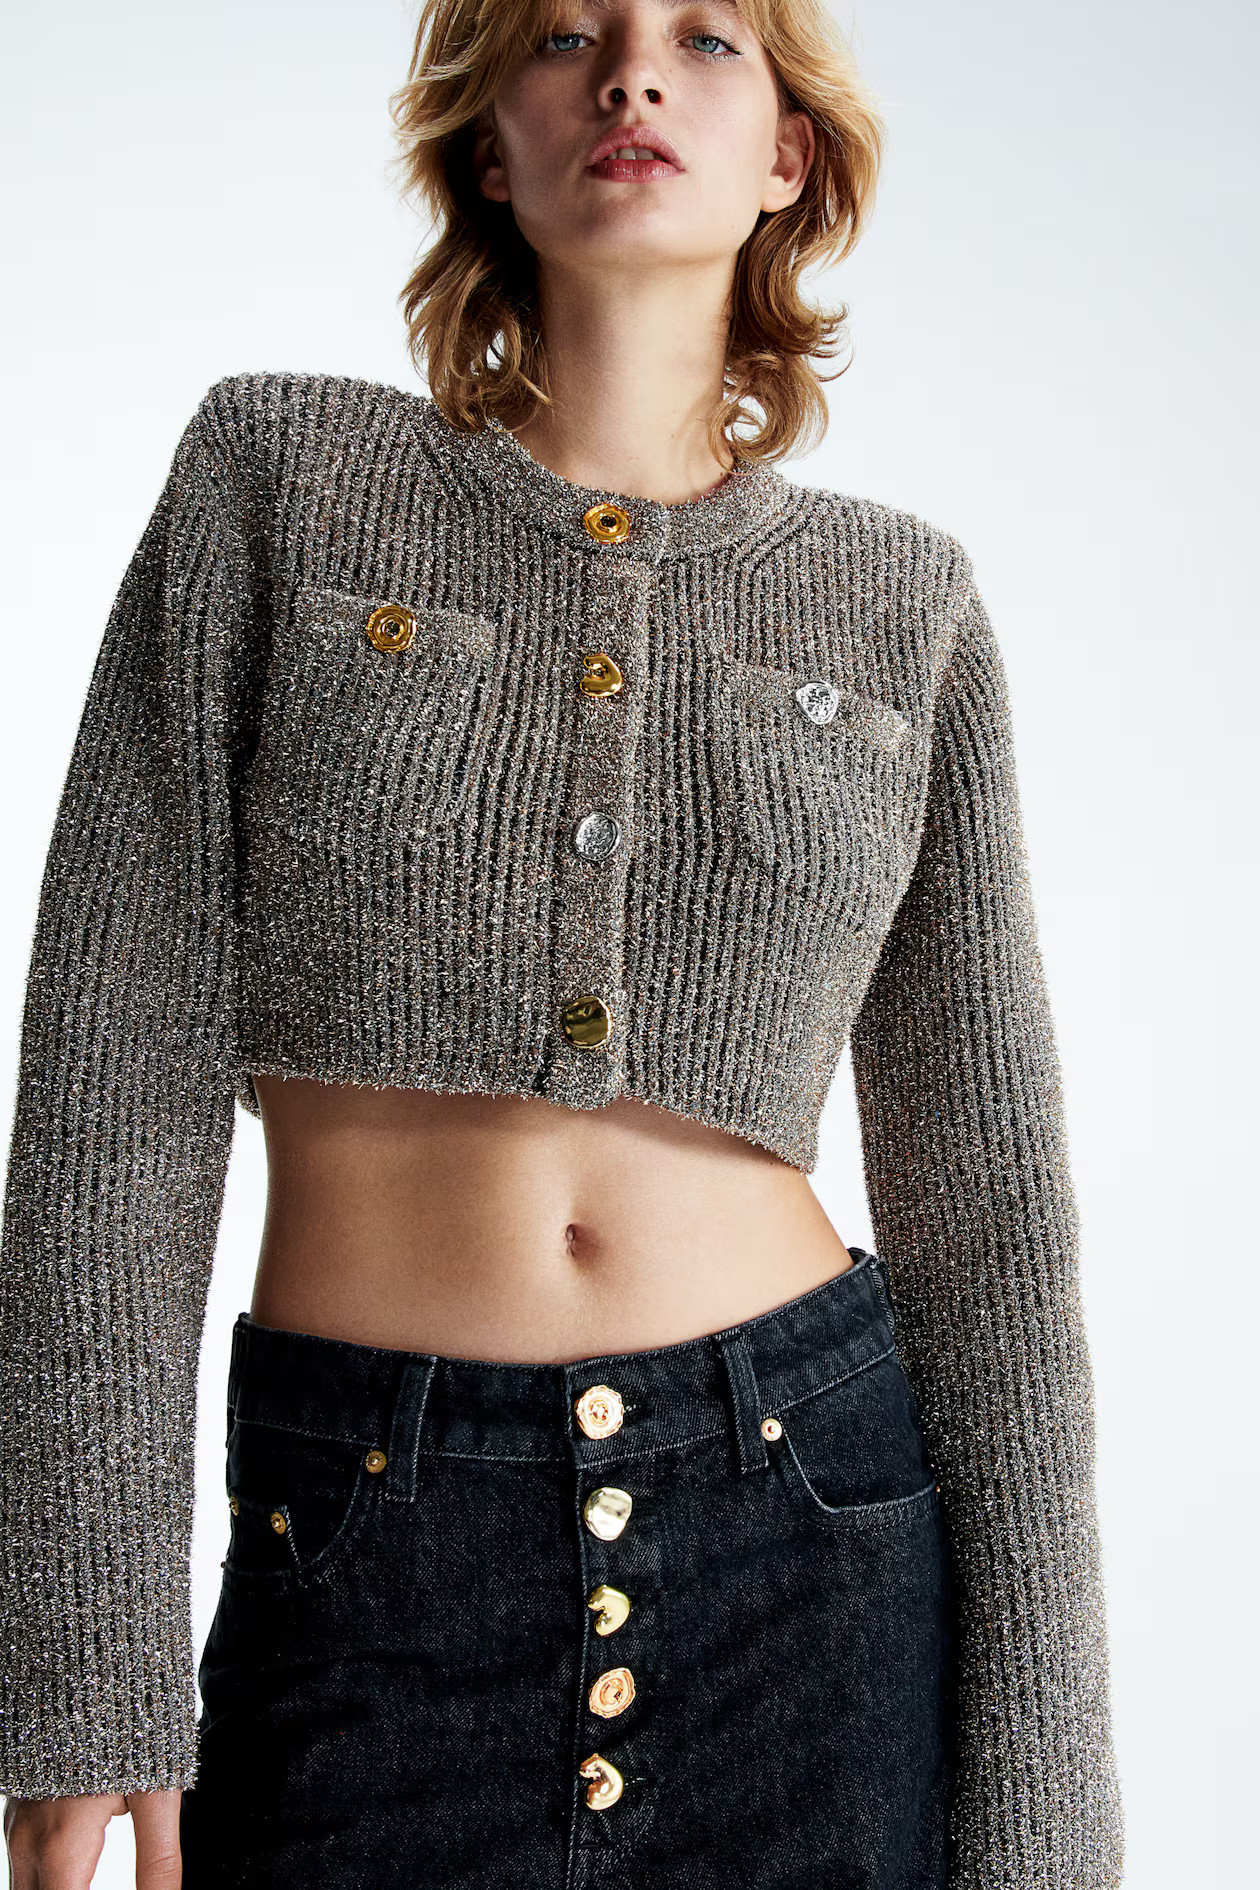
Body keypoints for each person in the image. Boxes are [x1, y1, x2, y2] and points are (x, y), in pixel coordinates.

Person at [0, 1, 1124, 1885]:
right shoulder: (277, 480)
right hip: (370, 1560)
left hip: (811, 1559)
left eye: (706, 39)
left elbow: (993, 1224)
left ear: (787, 156)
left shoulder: (903, 602)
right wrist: (78, 1663)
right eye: (567, 33)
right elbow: (111, 1089)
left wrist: (1048, 1821)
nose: (633, 74)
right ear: (485, 142)